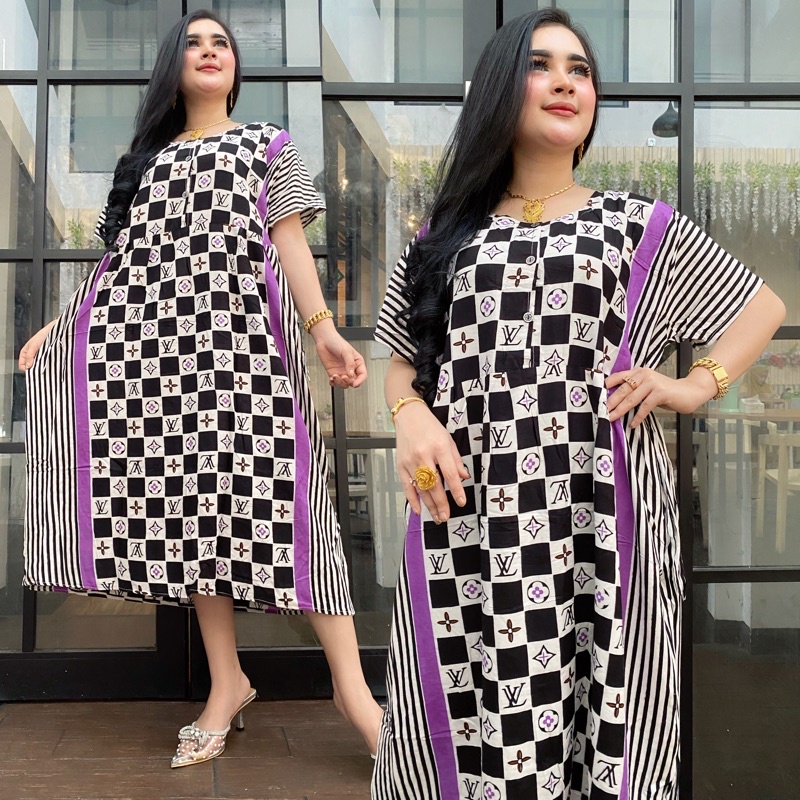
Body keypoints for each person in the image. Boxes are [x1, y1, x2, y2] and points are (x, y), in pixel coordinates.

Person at [373, 9, 785, 800]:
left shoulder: (636, 227)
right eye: (541, 65)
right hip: (473, 515)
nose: (566, 81)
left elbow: (760, 307)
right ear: (500, 88)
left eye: (581, 69)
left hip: (604, 515)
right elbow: (401, 365)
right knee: (478, 711)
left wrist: (694, 385)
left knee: (610, 712)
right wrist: (411, 416)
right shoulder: (442, 237)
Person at [19, 10, 383, 768]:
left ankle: (353, 695)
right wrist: (59, 327)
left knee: (294, 515)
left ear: (235, 67)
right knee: (194, 519)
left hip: (248, 360)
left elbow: (289, 240)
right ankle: (227, 683)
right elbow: (116, 268)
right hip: (166, 369)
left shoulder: (265, 145)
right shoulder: (142, 165)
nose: (211, 51)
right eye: (194, 43)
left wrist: (322, 327)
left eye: (222, 43)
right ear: (172, 65)